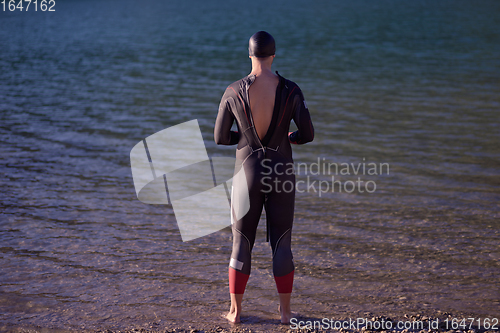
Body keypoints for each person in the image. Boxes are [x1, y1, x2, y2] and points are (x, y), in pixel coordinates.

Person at [214, 31, 314, 324]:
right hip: (281, 170)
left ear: (250, 55)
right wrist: (289, 137)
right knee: (282, 243)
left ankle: (235, 312)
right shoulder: (292, 90)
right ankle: (285, 314)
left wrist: (244, 137)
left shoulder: (232, 91)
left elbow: (220, 137)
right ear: (273, 56)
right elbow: (307, 134)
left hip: (247, 172)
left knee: (241, 242)